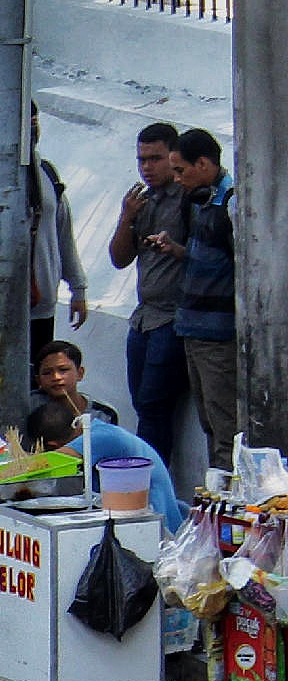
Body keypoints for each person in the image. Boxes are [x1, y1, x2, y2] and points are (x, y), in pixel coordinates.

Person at [0, 115, 88, 368]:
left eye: (34, 124)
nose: (30, 132)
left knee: (38, 381)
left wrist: (78, 287)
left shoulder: (47, 174)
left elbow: (63, 234)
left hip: (40, 307)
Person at [106, 121, 188, 459]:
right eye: (142, 160)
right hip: (142, 318)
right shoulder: (142, 200)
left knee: (154, 407)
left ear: (173, 157)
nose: (147, 167)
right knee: (141, 404)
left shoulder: (187, 199)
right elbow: (119, 258)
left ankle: (150, 480)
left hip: (173, 317)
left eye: (154, 159)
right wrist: (127, 217)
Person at [163, 127, 238, 464]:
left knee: (226, 429)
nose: (176, 179)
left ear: (204, 164)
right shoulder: (200, 203)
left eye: (181, 170)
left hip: (219, 337)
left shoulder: (231, 206)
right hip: (192, 329)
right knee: (208, 422)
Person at [22, 397, 187, 536]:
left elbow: (45, 464)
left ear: (53, 445)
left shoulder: (100, 438)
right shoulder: (96, 432)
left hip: (158, 528)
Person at [33, 339, 117, 427]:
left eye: (63, 370)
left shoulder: (103, 414)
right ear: (38, 380)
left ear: (80, 373)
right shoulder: (28, 407)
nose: (56, 377)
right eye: (47, 373)